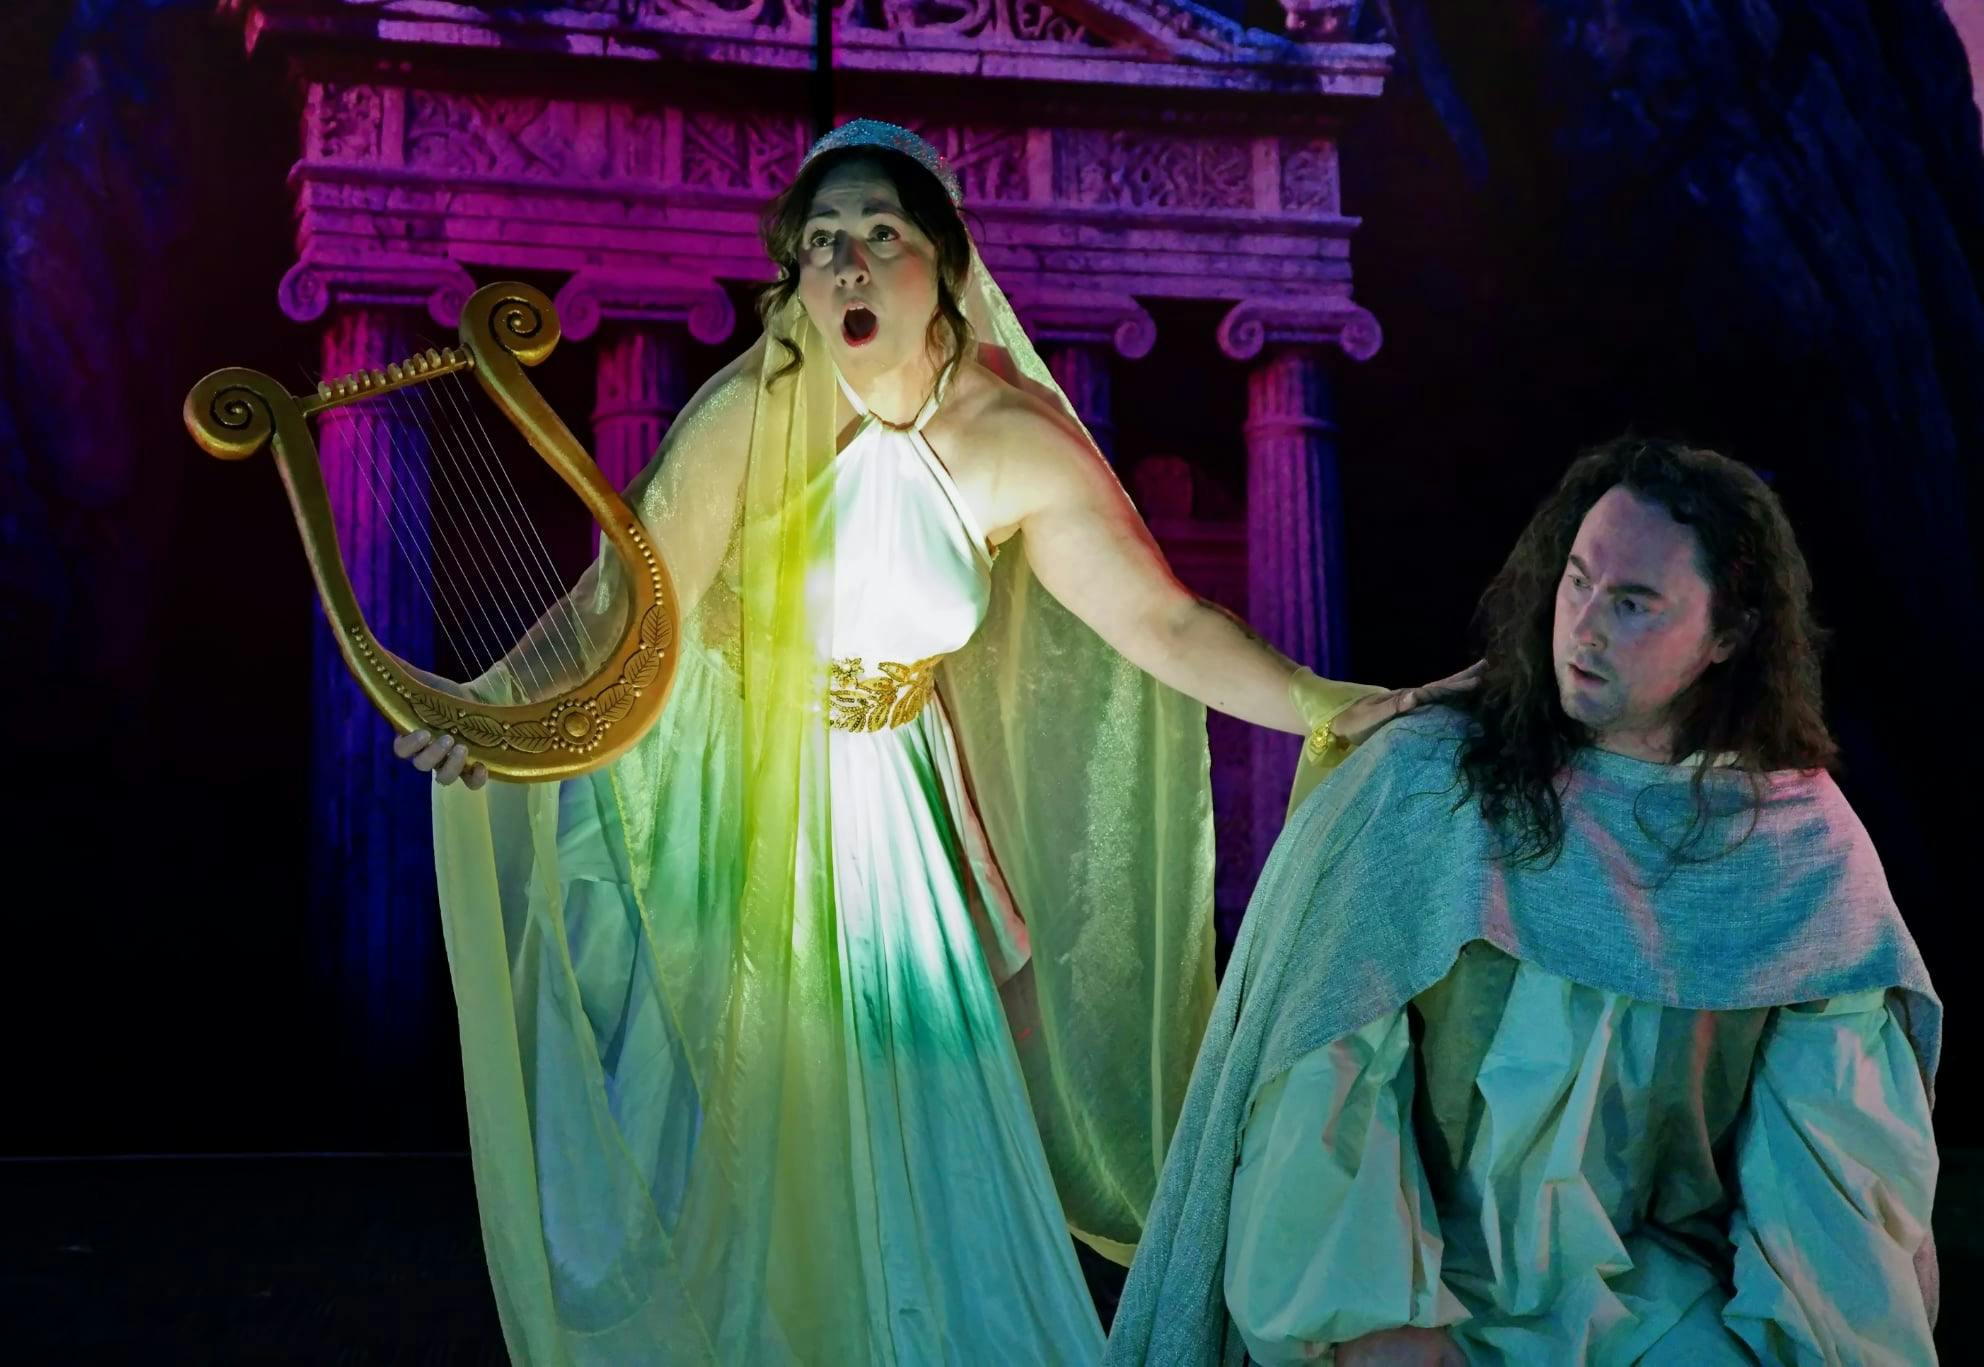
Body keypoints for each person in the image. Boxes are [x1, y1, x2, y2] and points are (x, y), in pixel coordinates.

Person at [392, 120, 1473, 1364]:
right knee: (773, 1116)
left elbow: (1161, 619)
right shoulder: (751, 409)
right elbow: (632, 613)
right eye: (819, 242)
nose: (845, 263)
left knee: (924, 1108)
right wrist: (507, 722)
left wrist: (1324, 699)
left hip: (897, 813)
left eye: (877, 232)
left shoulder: (1011, 434)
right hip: (752, 798)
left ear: (944, 262)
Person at [1106, 438, 1941, 1366]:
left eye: (1633, 603)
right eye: (1578, 581)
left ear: (1728, 634)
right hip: (1426, 1295)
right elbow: (1324, 1081)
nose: (1584, 625)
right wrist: (1375, 1324)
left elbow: (1834, 1169)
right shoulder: (1430, 784)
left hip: (1656, 1298)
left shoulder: (1794, 848)